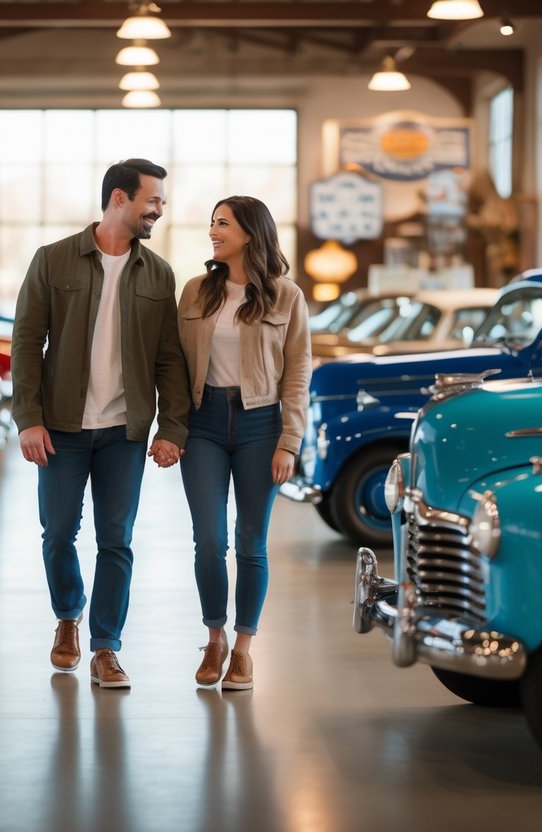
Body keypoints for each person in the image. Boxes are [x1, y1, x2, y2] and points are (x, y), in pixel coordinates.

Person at [11, 158, 191, 690]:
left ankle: (106, 647)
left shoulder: (158, 273)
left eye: (159, 202)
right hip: (61, 427)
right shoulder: (53, 260)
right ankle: (69, 615)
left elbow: (169, 360)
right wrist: (28, 418)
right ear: (119, 198)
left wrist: (172, 428)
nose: (158, 210)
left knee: (117, 539)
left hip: (124, 431)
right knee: (58, 533)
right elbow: (26, 343)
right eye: (151, 201)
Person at [176, 195, 311, 691]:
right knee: (209, 539)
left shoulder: (286, 296)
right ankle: (214, 638)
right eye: (212, 222)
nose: (213, 231)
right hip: (203, 422)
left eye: (223, 223)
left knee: (250, 542)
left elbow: (298, 372)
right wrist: (171, 429)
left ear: (250, 233)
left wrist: (289, 440)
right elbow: (173, 365)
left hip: (261, 425)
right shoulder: (194, 292)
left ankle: (244, 649)